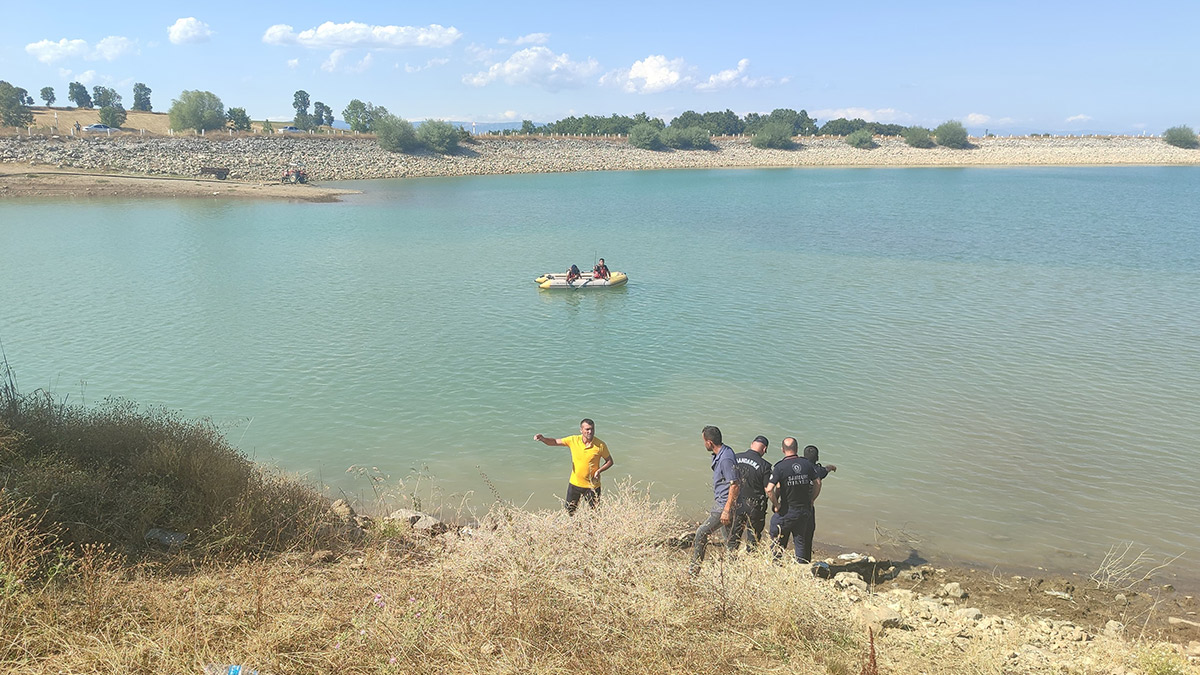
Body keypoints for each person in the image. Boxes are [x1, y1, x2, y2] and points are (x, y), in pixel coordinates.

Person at [533, 418, 613, 515]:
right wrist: (543, 439)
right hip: (575, 484)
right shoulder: (573, 440)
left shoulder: (600, 445)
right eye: (587, 429)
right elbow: (555, 442)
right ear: (581, 430)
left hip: (592, 486)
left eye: (592, 429)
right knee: (569, 512)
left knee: (595, 514)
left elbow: (609, 461)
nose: (590, 432)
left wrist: (599, 471)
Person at [690, 425, 739, 575]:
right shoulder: (724, 452)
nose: (704, 444)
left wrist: (727, 509)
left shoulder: (725, 459)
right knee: (729, 540)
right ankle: (732, 572)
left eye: (704, 441)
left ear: (709, 442)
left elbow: (735, 484)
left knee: (701, 532)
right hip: (724, 503)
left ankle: (694, 570)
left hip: (724, 505)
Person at [766, 437, 821, 564]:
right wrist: (812, 499)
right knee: (800, 541)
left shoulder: (780, 467)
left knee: (777, 537)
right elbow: (817, 482)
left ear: (782, 449)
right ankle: (801, 567)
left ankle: (776, 564)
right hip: (803, 510)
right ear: (797, 448)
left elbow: (769, 489)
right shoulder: (806, 464)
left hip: (787, 510)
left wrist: (776, 504)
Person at [728, 435, 772, 550]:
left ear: (752, 444)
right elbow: (768, 488)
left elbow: (728, 480)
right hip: (755, 506)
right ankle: (751, 557)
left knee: (734, 535)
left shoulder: (736, 457)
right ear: (764, 449)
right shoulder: (765, 465)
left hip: (737, 502)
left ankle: (730, 557)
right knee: (753, 538)